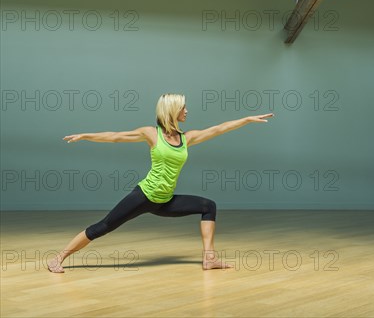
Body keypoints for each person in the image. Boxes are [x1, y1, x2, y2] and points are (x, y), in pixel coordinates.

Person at [47, 93, 274, 272]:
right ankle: (58, 258)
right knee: (104, 226)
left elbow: (218, 129)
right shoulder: (152, 134)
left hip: (164, 201)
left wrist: (246, 120)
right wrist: (85, 135)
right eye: (183, 107)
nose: (187, 111)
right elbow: (116, 136)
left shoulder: (187, 138)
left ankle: (209, 258)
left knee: (208, 206)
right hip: (144, 196)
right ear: (172, 110)